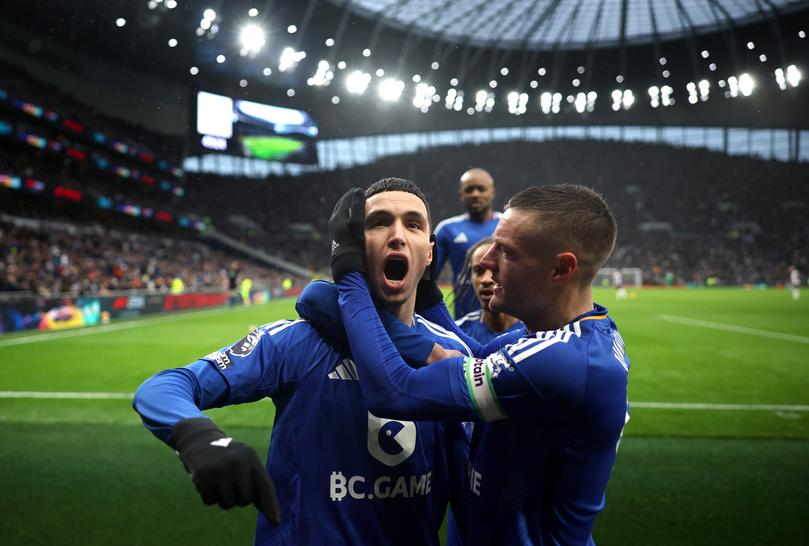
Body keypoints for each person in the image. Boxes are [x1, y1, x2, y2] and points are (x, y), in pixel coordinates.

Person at [132, 178, 472, 546]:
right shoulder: (297, 342)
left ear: (430, 253)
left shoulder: (452, 352)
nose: (396, 235)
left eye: (413, 224)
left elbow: (469, 486)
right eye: (378, 223)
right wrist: (197, 436)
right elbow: (165, 387)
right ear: (356, 247)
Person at [329, 184, 631, 545]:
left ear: (560, 269)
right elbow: (469, 355)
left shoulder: (564, 363)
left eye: (505, 252)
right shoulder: (549, 339)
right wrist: (426, 293)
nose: (486, 262)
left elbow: (393, 390)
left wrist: (346, 273)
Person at [434, 168, 501, 318]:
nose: (475, 194)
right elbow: (427, 279)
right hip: (464, 322)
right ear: (461, 194)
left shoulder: (508, 224)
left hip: (508, 319)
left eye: (481, 189)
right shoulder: (446, 229)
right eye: (469, 190)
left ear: (492, 193)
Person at [454, 237, 522, 343]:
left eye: (496, 269)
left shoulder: (538, 334)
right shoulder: (457, 333)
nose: (486, 280)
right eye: (478, 270)